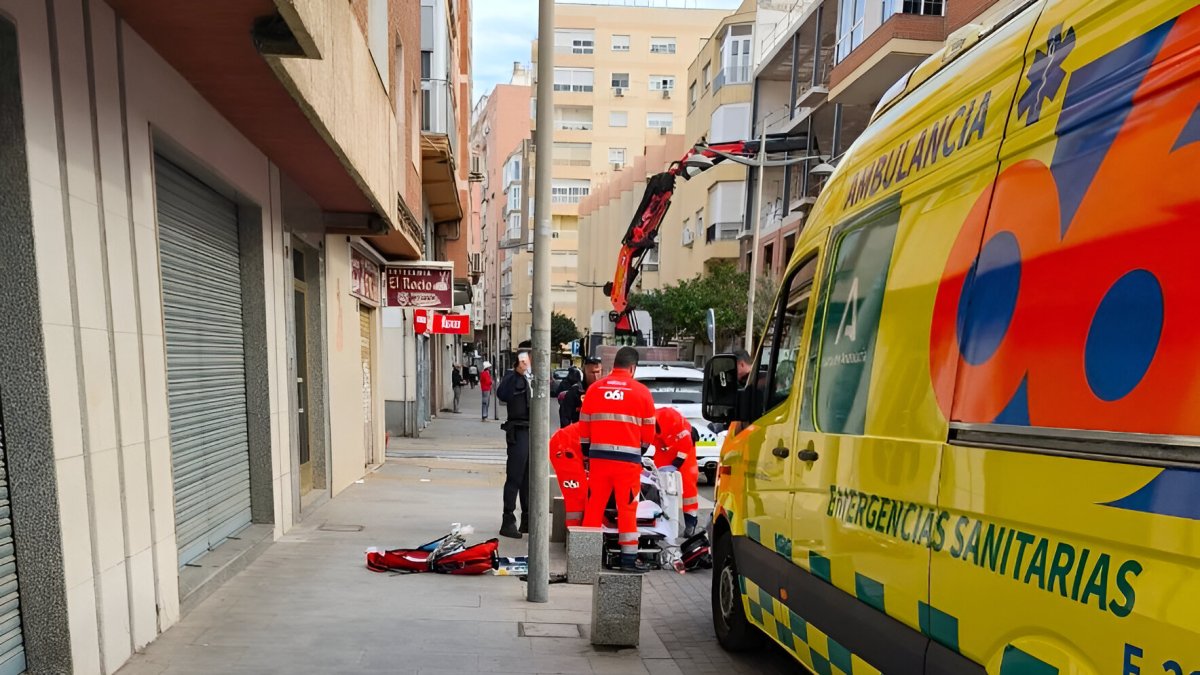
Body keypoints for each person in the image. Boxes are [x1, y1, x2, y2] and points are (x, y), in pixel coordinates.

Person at [579, 346, 657, 572]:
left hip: (599, 460)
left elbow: (584, 425)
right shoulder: (642, 392)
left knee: (594, 506)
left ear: (614, 365)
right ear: (632, 368)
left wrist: (588, 451)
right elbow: (648, 433)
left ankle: (585, 562)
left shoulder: (595, 389)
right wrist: (638, 451)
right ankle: (628, 561)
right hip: (627, 463)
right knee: (627, 509)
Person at [495, 351, 532, 538]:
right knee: (515, 476)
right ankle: (508, 519)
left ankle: (527, 518)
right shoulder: (512, 378)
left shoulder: (531, 379)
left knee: (527, 479)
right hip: (518, 430)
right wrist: (517, 372)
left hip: (531, 431)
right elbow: (502, 394)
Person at [652, 406, 701, 537]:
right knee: (659, 481)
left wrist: (676, 464)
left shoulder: (674, 423)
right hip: (664, 447)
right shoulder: (649, 422)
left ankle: (691, 522)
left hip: (684, 447)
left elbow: (685, 445)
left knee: (688, 484)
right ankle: (662, 520)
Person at [549, 423, 588, 527]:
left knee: (581, 495)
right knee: (576, 497)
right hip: (564, 448)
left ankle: (576, 530)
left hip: (568, 445)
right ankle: (574, 530)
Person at [561, 356, 602, 426]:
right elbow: (565, 419)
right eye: (592, 373)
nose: (595, 376)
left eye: (598, 372)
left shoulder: (605, 392)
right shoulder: (575, 392)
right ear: (584, 371)